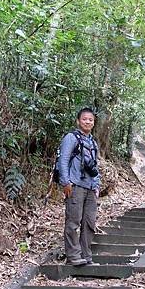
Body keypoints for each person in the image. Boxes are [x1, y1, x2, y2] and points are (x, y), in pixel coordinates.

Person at [57, 107, 101, 266]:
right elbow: (63, 160)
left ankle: (86, 256)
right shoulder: (71, 137)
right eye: (85, 119)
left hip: (90, 187)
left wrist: (97, 185)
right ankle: (73, 256)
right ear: (78, 121)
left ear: (93, 123)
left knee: (89, 223)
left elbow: (96, 166)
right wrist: (66, 182)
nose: (88, 122)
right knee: (73, 221)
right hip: (75, 185)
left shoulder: (93, 142)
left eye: (91, 120)